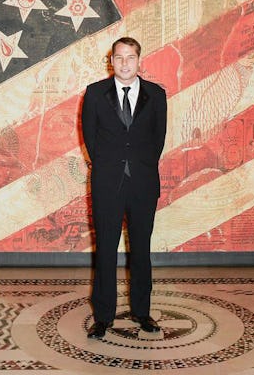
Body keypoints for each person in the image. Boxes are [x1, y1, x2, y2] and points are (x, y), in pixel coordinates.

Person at [81, 36, 167, 339]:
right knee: (105, 250)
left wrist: (138, 168)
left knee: (141, 251)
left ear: (139, 60)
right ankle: (103, 317)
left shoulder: (156, 95)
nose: (125, 63)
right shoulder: (94, 94)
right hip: (107, 185)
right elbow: (90, 140)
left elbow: (158, 140)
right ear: (111, 61)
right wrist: (110, 167)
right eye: (119, 58)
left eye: (130, 57)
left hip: (143, 185)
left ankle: (142, 312)